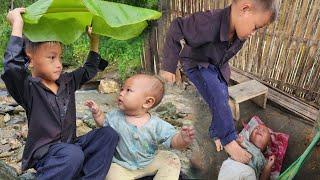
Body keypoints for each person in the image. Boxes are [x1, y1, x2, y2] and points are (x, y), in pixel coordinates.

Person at [1, 8, 118, 179]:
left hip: (71, 147)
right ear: (30, 59)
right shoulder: (29, 88)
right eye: (52, 58)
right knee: (72, 155)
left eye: (60, 58)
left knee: (108, 135)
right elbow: (12, 67)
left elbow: (89, 70)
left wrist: (94, 41)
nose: (59, 64)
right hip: (47, 153)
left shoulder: (67, 81)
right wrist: (17, 25)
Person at [160, 0, 279, 163]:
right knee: (217, 94)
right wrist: (168, 66)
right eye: (255, 27)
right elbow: (177, 27)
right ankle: (228, 139)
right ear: (245, 9)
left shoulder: (239, 30)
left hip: (217, 65)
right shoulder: (208, 22)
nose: (253, 33)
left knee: (221, 97)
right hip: (197, 63)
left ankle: (218, 131)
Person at [85, 74, 195, 180]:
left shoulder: (156, 124)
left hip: (149, 161)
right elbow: (103, 123)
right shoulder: (115, 116)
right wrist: (97, 113)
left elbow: (172, 140)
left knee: (172, 159)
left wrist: (182, 139)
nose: (121, 93)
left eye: (128, 90)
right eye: (122, 89)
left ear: (147, 102)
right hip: (121, 165)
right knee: (109, 172)